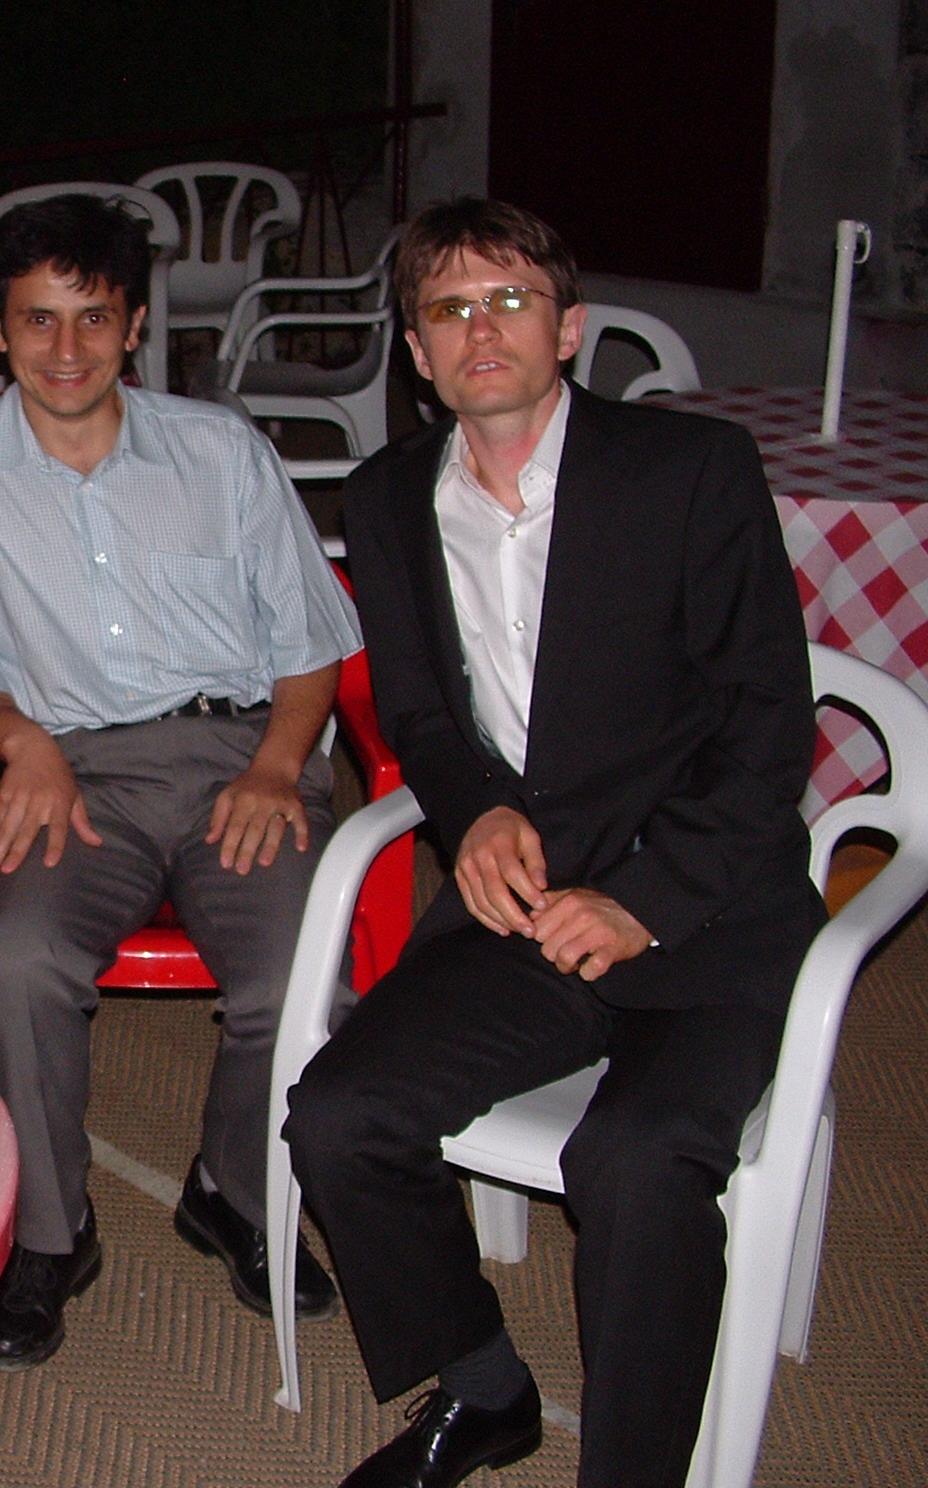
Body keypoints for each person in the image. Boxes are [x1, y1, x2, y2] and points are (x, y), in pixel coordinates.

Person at [283, 199, 824, 1488]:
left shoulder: (687, 471)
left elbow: (766, 728)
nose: (481, 329)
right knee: (339, 1117)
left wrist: (641, 899)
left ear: (568, 328)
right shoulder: (386, 495)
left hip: (704, 907)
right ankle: (481, 1388)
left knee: (630, 1162)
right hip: (526, 905)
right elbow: (421, 714)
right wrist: (475, 811)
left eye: (511, 299)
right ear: (416, 351)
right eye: (448, 308)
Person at [0, 194, 362, 1372]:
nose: (65, 348)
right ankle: (46, 1236)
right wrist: (21, 742)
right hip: (74, 772)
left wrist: (276, 766)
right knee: (10, 966)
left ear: (131, 327)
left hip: (239, 760)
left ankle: (233, 1189)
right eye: (37, 319)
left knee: (299, 979)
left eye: (93, 318)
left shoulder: (219, 453)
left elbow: (309, 645)